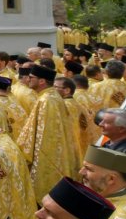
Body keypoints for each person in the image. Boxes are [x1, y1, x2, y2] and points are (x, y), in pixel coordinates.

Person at [18, 64, 80, 203]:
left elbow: (43, 134)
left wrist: (23, 152)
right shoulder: (52, 97)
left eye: (31, 77)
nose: (28, 79)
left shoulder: (46, 100)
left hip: (47, 155)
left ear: (41, 81)